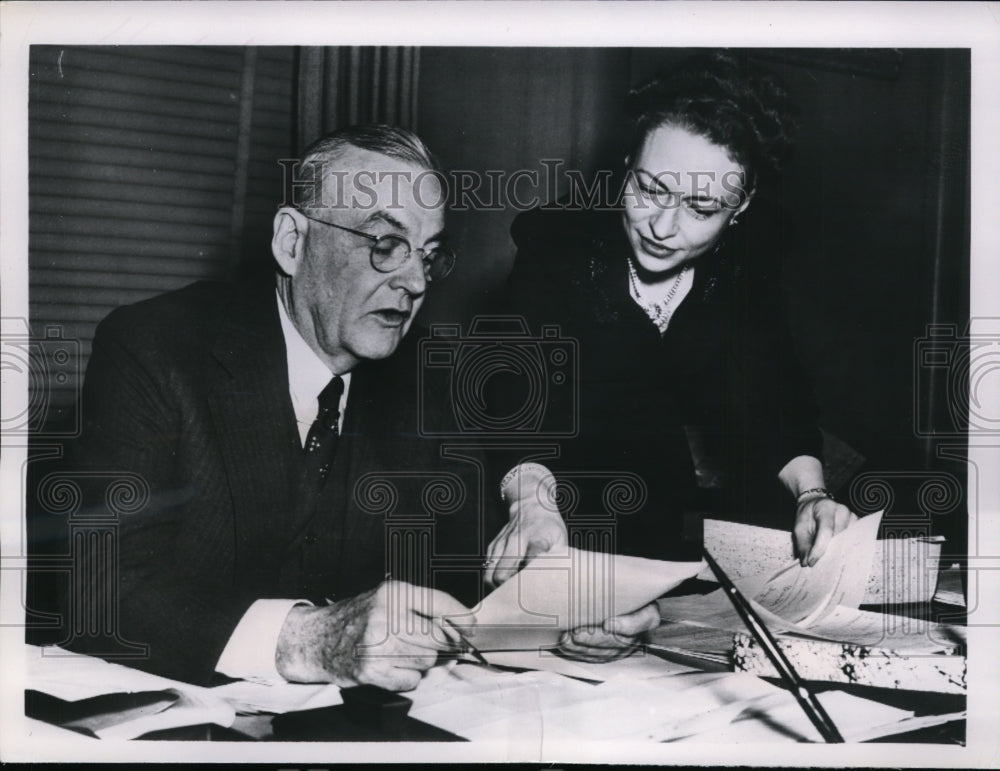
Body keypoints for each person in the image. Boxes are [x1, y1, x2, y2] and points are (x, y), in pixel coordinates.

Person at [52, 126, 496, 691]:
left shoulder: (430, 378)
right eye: (385, 244)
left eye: (430, 256)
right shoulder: (156, 349)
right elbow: (98, 593)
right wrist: (302, 640)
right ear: (292, 242)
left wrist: (563, 603)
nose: (413, 281)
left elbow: (465, 576)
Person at [485, 54, 857, 597]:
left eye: (701, 207)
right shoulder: (555, 247)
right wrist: (531, 505)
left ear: (742, 205)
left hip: (654, 537)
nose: (662, 226)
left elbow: (774, 398)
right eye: (651, 189)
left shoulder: (746, 266)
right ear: (627, 163)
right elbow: (511, 392)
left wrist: (811, 497)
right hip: (533, 520)